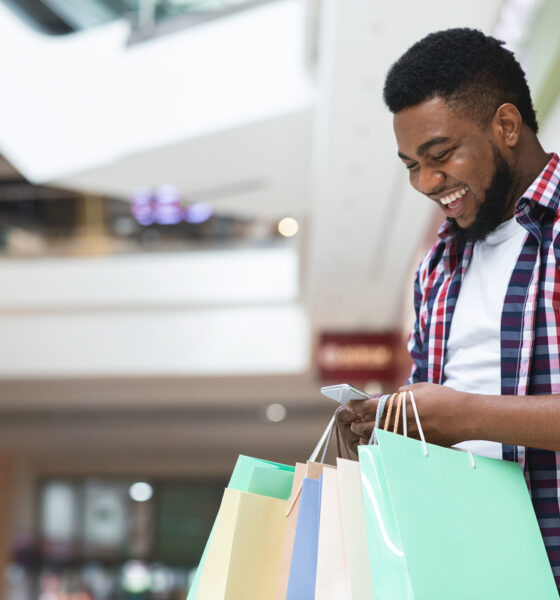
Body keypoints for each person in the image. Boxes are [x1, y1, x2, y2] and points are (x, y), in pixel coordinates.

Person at [336, 27, 560, 586]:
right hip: (466, 569)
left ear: (506, 126)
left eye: (440, 156)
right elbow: (435, 422)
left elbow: (458, 413)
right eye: (411, 164)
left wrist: (463, 416)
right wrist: (388, 425)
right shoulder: (438, 264)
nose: (427, 182)